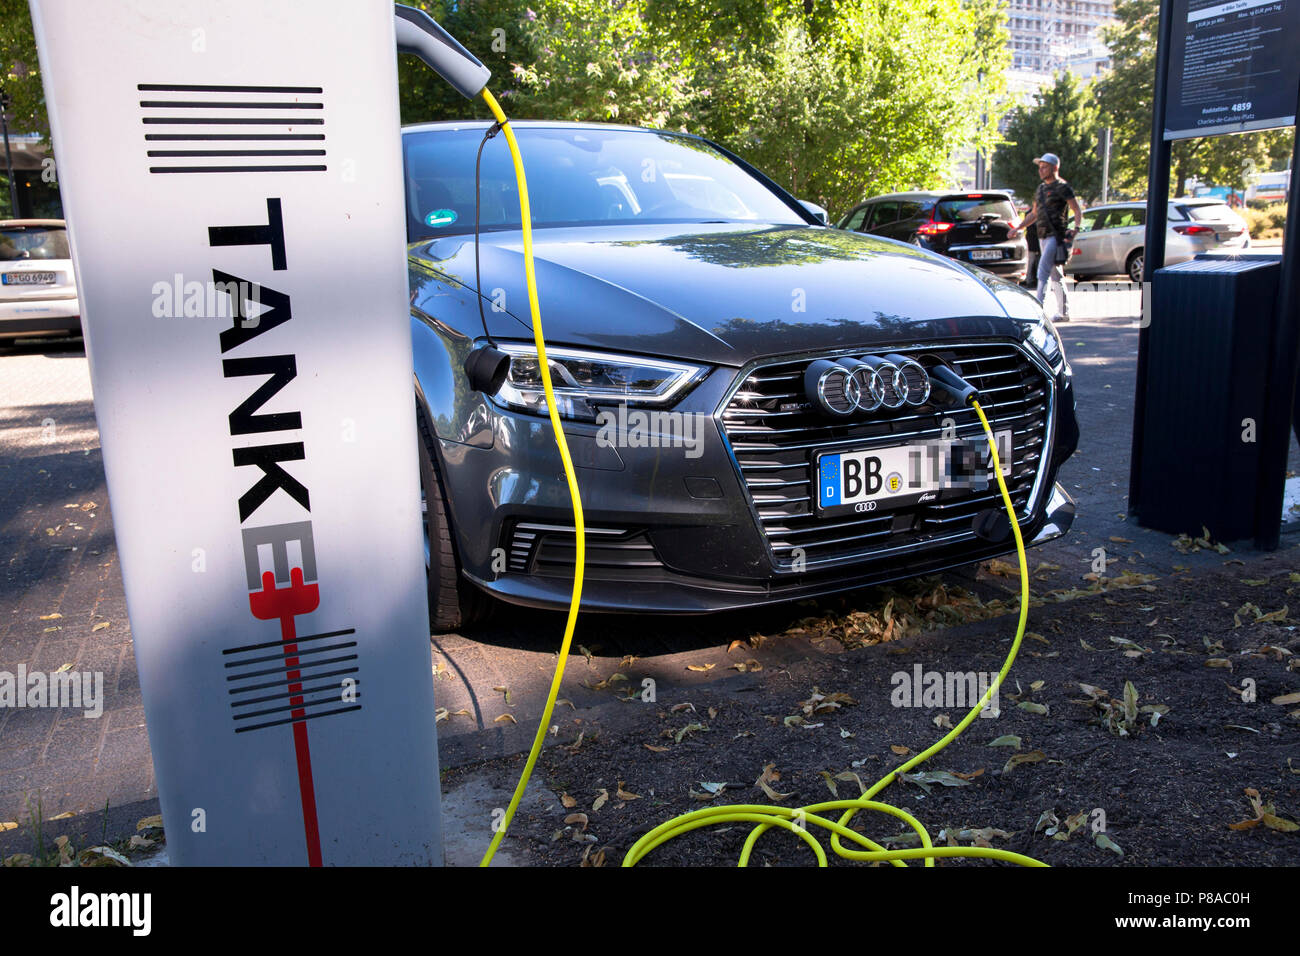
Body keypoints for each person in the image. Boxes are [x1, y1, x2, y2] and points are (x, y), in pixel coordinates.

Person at [1011, 153, 1083, 321]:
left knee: (1042, 271)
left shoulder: (1063, 187)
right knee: (1056, 274)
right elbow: (1034, 214)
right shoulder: (1041, 189)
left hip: (1056, 237)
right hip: (1042, 236)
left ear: (1055, 168)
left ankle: (1038, 310)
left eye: (1044, 167)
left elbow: (1077, 209)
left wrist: (1076, 228)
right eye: (1040, 167)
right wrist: (1018, 228)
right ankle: (1064, 312)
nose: (1041, 171)